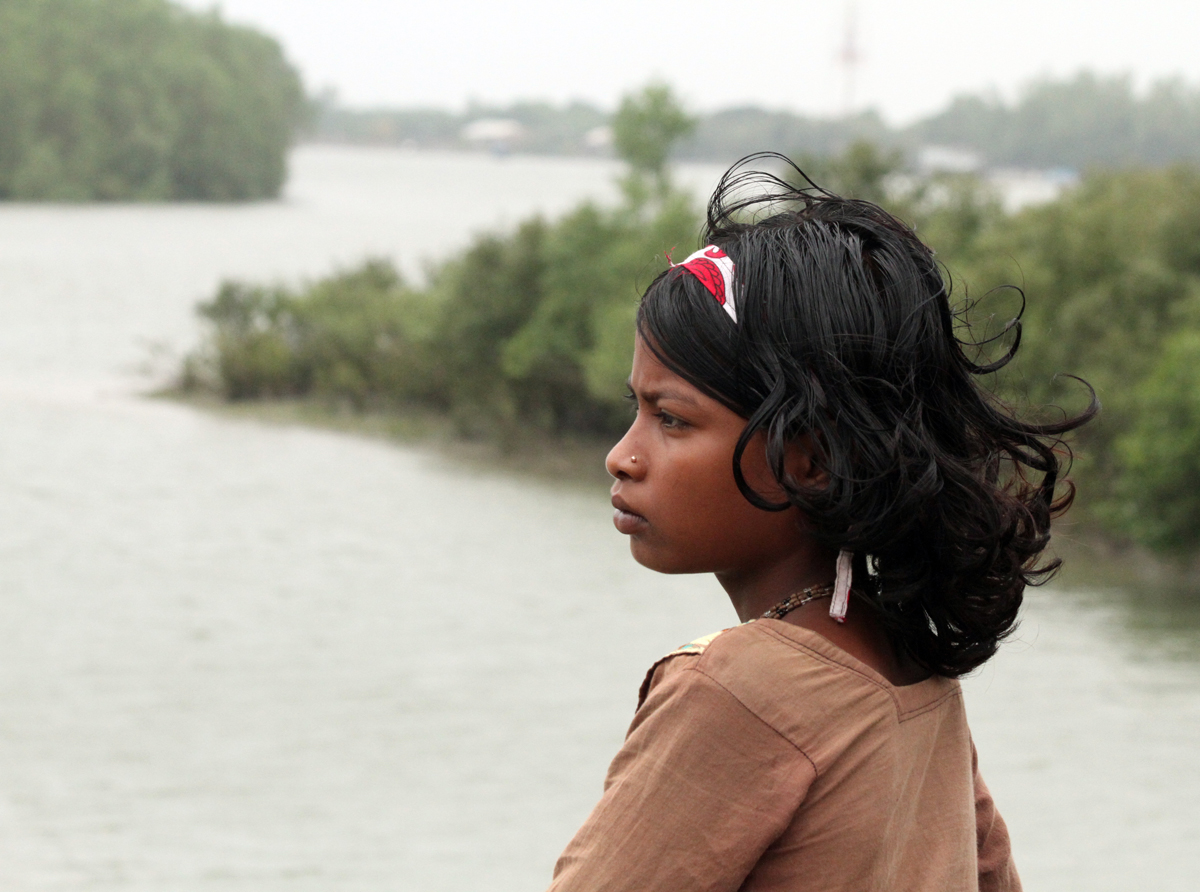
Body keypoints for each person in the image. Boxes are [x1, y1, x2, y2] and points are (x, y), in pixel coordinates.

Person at [546, 155, 1095, 892]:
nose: (622, 457)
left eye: (671, 419)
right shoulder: (909, 661)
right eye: (635, 411)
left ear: (811, 460)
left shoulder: (737, 689)